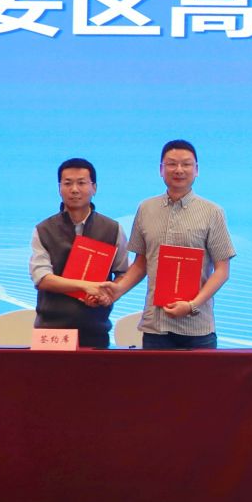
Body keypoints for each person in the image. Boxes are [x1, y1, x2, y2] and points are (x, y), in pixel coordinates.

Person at [95, 139, 235, 349]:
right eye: (171, 164)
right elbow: (141, 263)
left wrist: (192, 305)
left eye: (186, 164)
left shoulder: (212, 212)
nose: (179, 170)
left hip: (197, 327)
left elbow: (222, 270)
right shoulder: (146, 208)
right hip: (155, 326)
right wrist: (117, 290)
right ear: (161, 169)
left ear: (196, 170)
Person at [29, 156, 128, 349]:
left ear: (94, 188)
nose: (74, 189)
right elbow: (42, 279)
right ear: (59, 188)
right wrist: (87, 286)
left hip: (95, 329)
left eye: (81, 183)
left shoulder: (112, 229)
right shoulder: (44, 229)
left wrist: (107, 294)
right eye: (68, 183)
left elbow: (123, 273)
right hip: (52, 331)